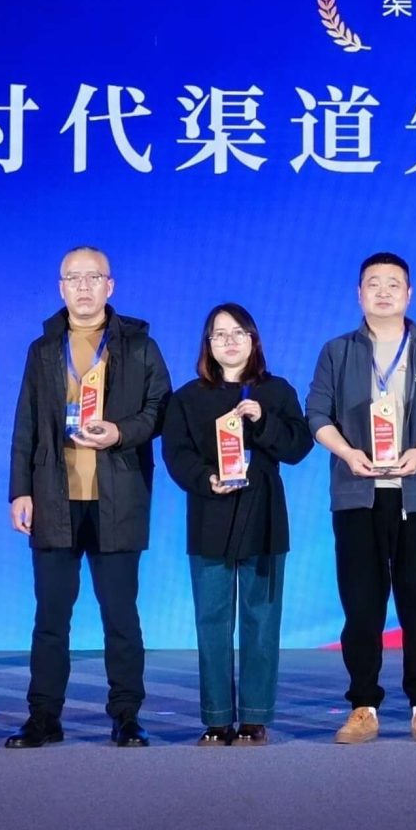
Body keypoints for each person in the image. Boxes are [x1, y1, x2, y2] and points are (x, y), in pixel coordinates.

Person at [6, 246, 170, 748]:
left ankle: (126, 715)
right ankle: (44, 717)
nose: (83, 286)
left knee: (120, 616)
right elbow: (26, 425)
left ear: (109, 285)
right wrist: (20, 491)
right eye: (73, 278)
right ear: (61, 288)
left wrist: (120, 432)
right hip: (53, 498)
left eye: (92, 277)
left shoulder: (139, 346)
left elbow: (160, 410)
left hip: (118, 496)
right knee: (51, 617)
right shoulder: (43, 350)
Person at [304, 253, 416, 744]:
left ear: (409, 294)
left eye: (393, 283)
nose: (383, 291)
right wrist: (348, 453)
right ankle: (363, 706)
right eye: (373, 283)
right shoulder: (337, 351)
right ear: (359, 294)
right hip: (358, 494)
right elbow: (317, 414)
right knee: (361, 607)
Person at [162, 305, 313, 745]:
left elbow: (298, 447)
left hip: (264, 517)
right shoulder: (187, 397)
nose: (229, 341)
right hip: (210, 516)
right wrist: (205, 479)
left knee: (261, 618)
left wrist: (262, 420)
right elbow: (176, 454)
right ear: (207, 345)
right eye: (219, 334)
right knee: (211, 619)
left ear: (253, 339)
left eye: (238, 332)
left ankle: (254, 716)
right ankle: (215, 717)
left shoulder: (276, 391)